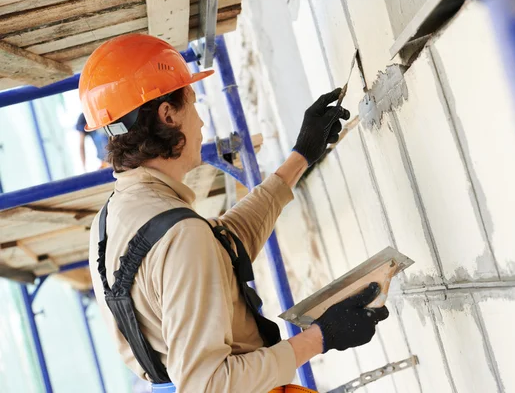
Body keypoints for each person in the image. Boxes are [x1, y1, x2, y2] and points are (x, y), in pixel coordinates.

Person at [81, 34, 389, 393]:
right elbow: (206, 385)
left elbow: (220, 250)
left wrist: (301, 156)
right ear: (168, 115)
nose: (200, 122)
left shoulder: (112, 220)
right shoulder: (177, 234)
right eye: (192, 104)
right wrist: (321, 336)